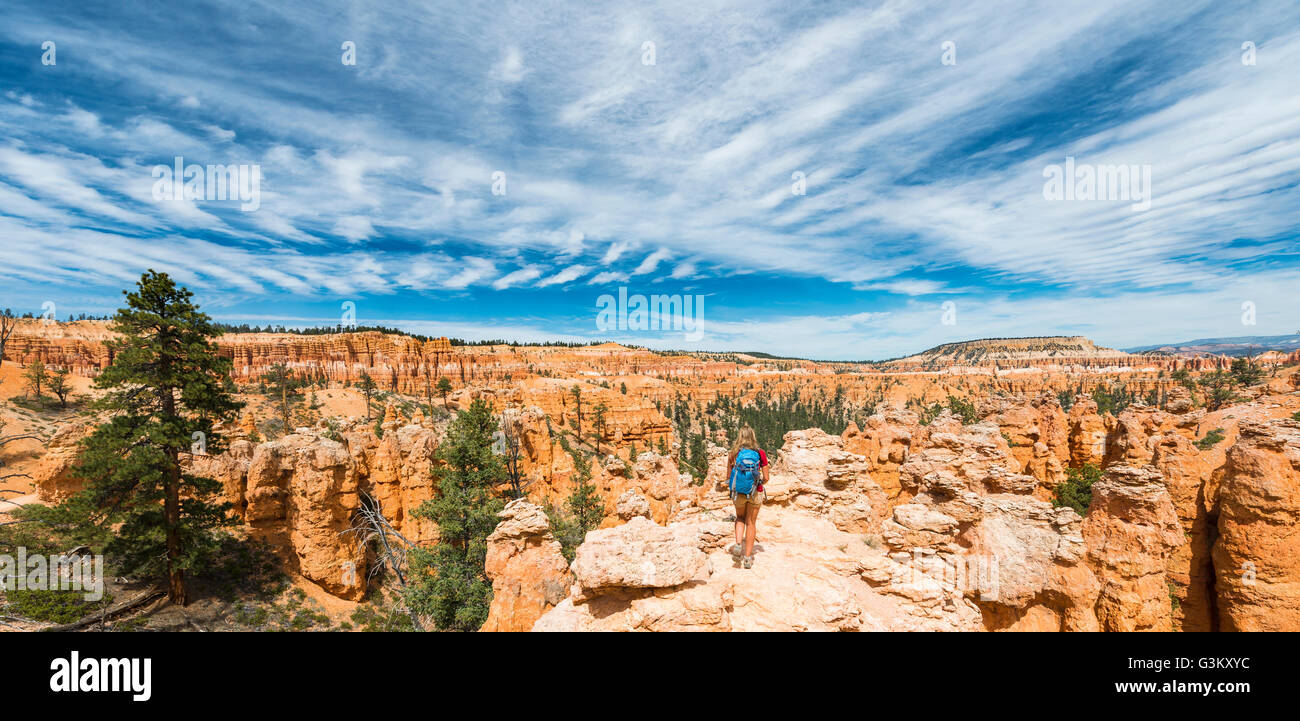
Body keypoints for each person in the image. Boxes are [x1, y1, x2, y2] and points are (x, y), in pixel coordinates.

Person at [727, 426, 768, 569]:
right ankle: (748, 558)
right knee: (751, 522)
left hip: (739, 492)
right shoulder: (760, 453)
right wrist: (758, 483)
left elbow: (728, 478)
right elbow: (767, 477)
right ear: (753, 437)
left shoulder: (733, 454)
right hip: (755, 492)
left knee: (740, 518)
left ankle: (738, 544)